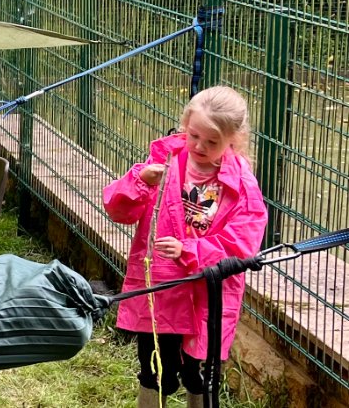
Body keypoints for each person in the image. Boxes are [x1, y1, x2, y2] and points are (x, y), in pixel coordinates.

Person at [101, 86, 266, 408]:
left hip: (208, 291)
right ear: (184, 125)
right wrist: (141, 180)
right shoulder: (164, 163)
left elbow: (243, 242)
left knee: (200, 373)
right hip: (160, 285)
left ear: (233, 139)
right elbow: (120, 211)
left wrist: (190, 250)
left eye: (212, 142)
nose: (200, 146)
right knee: (155, 368)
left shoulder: (242, 185)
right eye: (194, 136)